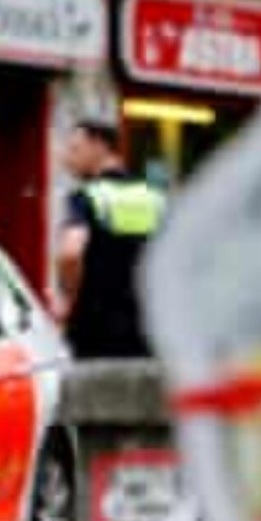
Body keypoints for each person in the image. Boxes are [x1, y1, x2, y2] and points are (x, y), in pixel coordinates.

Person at [55, 118, 166, 360]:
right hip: (147, 329)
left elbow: (70, 253)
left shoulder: (87, 196)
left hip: (95, 333)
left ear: (100, 146)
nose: (67, 159)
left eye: (75, 149)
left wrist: (69, 298)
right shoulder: (154, 198)